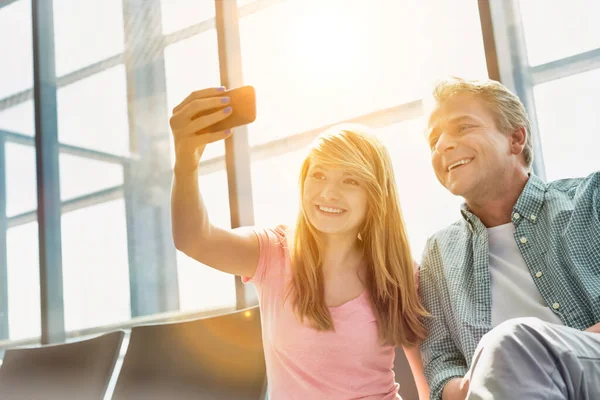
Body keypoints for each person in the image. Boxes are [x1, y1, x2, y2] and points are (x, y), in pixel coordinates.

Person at [169, 87, 430, 400]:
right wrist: (186, 162)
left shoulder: (400, 274)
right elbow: (193, 239)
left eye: (350, 180)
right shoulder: (273, 252)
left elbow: (428, 382)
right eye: (318, 175)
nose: (328, 192)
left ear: (376, 196)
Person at [419, 77, 600, 400]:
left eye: (462, 127)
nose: (443, 144)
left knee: (511, 342)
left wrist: (535, 358)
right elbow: (441, 363)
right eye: (434, 139)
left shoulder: (591, 199)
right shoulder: (438, 252)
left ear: (515, 139)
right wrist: (496, 374)